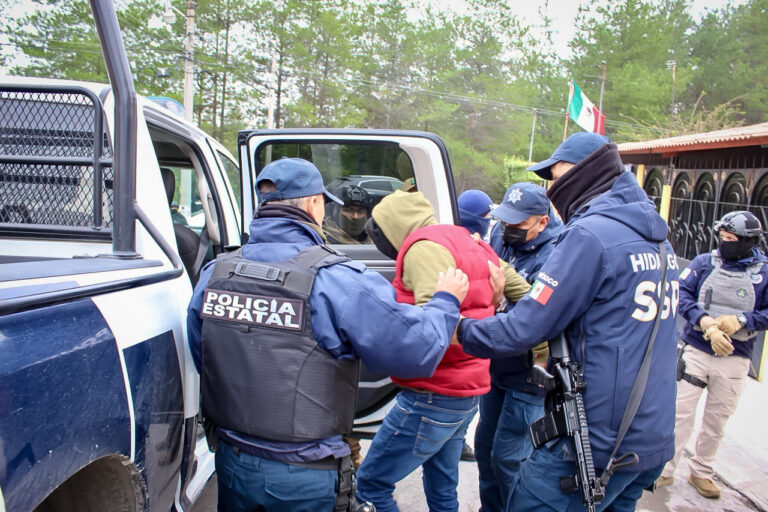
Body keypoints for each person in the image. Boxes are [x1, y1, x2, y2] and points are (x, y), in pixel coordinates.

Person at [186, 157, 471, 512]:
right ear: (314, 203)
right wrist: (445, 301)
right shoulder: (338, 279)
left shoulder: (216, 272)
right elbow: (416, 348)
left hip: (233, 463)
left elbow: (204, 353)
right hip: (303, 475)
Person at [456, 132, 680, 512]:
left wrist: (455, 326)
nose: (552, 188)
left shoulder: (591, 235)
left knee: (525, 498)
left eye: (555, 177)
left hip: (596, 444)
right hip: (649, 438)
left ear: (583, 174)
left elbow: (524, 327)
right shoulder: (656, 238)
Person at [356, 190, 531, 512]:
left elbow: (429, 333)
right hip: (467, 389)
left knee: (370, 485)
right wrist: (494, 306)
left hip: (433, 394)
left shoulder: (423, 249)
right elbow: (529, 299)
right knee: (441, 483)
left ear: (389, 228)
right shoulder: (471, 241)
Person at [657, 210, 768, 499]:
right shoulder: (704, 263)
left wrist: (743, 321)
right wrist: (705, 323)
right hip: (696, 350)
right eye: (722, 238)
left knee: (716, 420)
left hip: (735, 358)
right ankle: (664, 469)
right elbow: (681, 294)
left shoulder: (764, 272)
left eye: (731, 239)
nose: (724, 243)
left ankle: (702, 472)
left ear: (748, 241)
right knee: (679, 412)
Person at [476, 182, 564, 511]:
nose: (507, 230)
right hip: (497, 368)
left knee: (511, 460)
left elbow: (541, 319)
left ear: (542, 221)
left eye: (518, 224)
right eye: (504, 222)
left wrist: (499, 299)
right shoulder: (501, 235)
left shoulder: (557, 255)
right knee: (485, 450)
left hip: (530, 375)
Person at [455, 188, 494, 462]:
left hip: (458, 358)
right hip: (468, 359)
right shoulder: (484, 252)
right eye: (488, 216)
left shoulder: (442, 245)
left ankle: (457, 442)